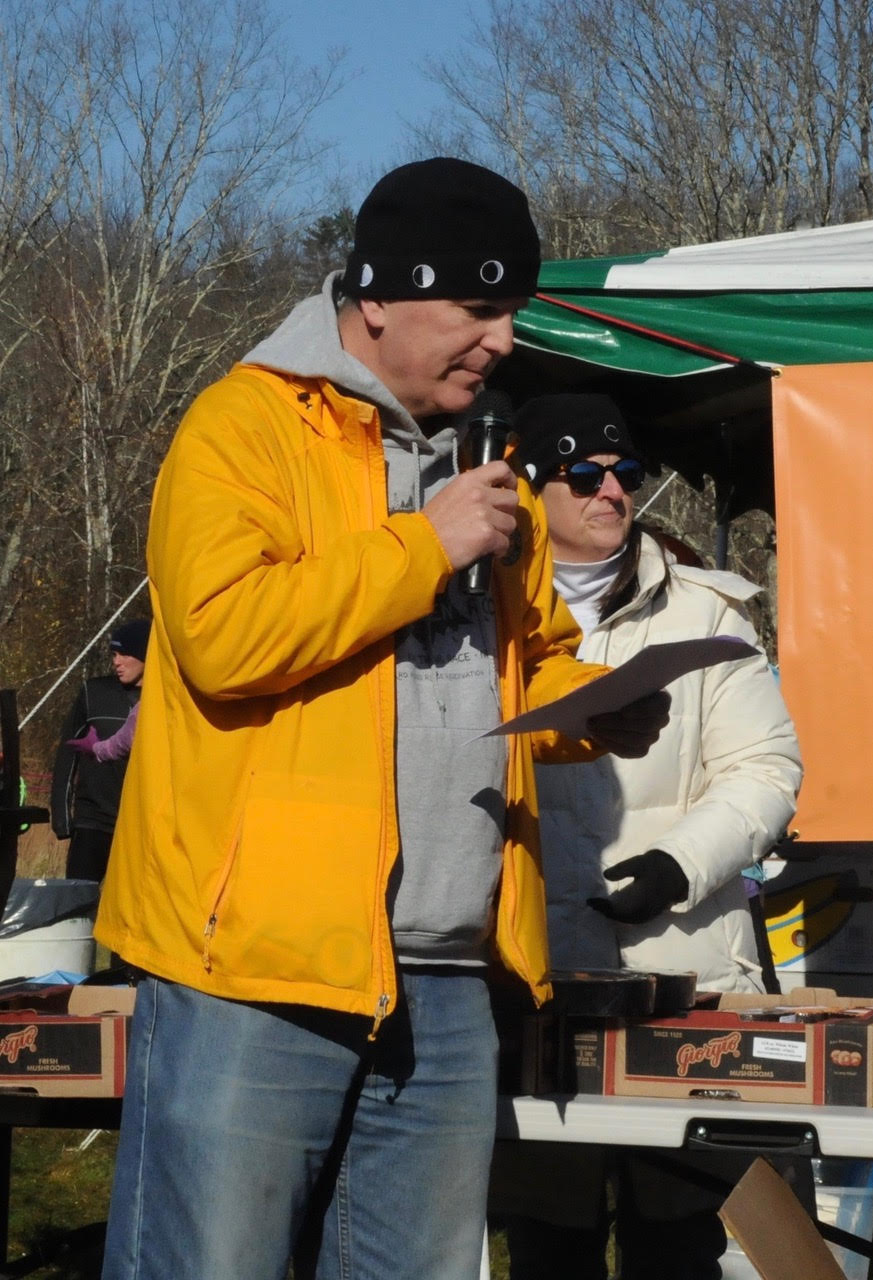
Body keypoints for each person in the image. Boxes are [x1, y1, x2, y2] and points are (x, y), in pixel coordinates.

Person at [93, 160, 671, 1280]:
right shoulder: (243, 427)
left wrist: (593, 712)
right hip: (254, 972)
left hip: (449, 975)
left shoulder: (489, 461)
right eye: (479, 308)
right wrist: (424, 546)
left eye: (510, 313)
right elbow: (220, 639)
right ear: (378, 298)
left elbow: (521, 663)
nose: (503, 339)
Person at [495, 392, 804, 1280]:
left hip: (687, 979)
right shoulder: (480, 618)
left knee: (679, 1241)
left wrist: (677, 864)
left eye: (625, 473)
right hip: (534, 983)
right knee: (549, 1242)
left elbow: (765, 770)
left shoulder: (709, 613)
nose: (611, 492)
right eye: (582, 474)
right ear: (527, 488)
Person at [50, 618, 150, 882]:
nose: (116, 661)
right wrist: (62, 816)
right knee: (78, 903)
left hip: (141, 826)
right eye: (114, 654)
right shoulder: (93, 692)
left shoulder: (165, 698)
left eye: (124, 654)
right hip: (93, 820)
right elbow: (67, 753)